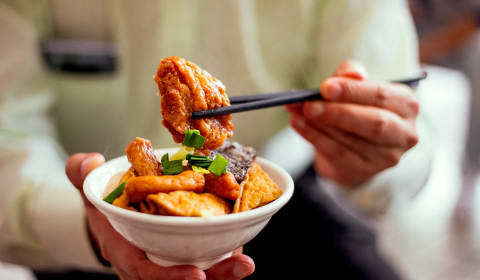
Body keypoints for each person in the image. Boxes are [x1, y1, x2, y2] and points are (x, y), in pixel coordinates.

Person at [0, 0, 430, 279]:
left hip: (272, 211)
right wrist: (89, 224)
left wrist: (369, 154)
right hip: (90, 220)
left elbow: (413, 144)